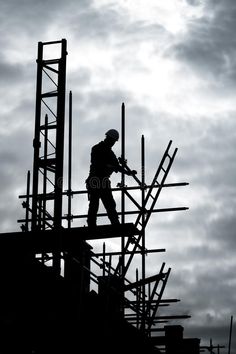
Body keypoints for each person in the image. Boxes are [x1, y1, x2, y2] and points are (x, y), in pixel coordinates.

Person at [86, 129, 137, 227]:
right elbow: (97, 163)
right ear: (108, 138)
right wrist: (110, 166)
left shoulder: (110, 153)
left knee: (109, 203)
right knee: (94, 204)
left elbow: (117, 166)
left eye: (114, 142)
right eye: (112, 141)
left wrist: (128, 172)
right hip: (95, 179)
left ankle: (115, 223)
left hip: (103, 180)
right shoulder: (96, 148)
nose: (113, 143)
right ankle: (92, 225)